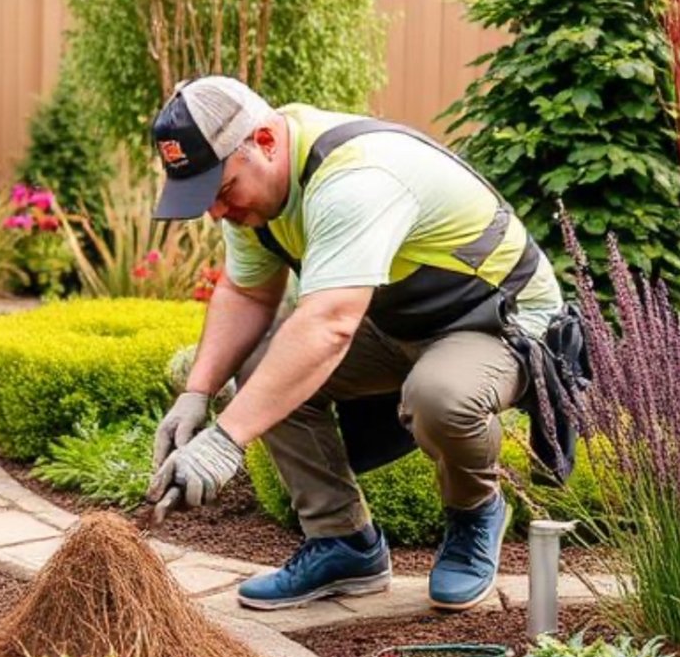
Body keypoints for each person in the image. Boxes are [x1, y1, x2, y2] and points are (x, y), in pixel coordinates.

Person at [146, 74, 570, 612]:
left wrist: (225, 441)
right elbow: (247, 294)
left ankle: (475, 513)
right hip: (399, 319)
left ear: (266, 142)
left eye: (222, 191)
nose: (217, 212)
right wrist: (197, 394)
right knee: (259, 368)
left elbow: (329, 326)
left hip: (495, 319)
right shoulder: (255, 189)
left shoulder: (355, 177)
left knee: (440, 395)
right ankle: (344, 544)